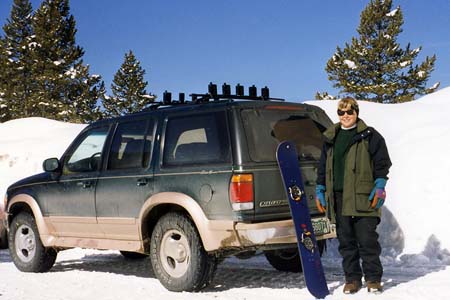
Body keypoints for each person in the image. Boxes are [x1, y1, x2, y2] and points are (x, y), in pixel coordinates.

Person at [315, 97, 392, 294]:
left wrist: (380, 184)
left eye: (350, 112)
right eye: (341, 112)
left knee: (367, 240)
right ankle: (352, 279)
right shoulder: (331, 137)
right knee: (346, 242)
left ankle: (373, 279)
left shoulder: (369, 135)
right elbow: (323, 167)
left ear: (356, 113)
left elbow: (383, 162)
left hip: (363, 196)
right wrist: (320, 189)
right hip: (338, 197)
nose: (346, 116)